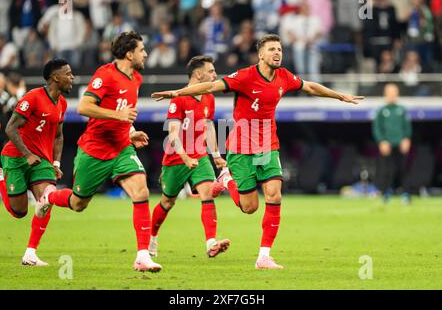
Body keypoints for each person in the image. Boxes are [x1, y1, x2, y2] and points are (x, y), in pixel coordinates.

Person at [152, 34, 363, 269]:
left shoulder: (284, 76)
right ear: (261, 54)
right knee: (249, 208)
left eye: (280, 49)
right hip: (241, 148)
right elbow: (212, 85)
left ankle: (264, 256)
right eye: (272, 49)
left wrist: (339, 96)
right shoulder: (245, 76)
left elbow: (310, 87)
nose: (277, 53)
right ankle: (227, 178)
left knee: (274, 195)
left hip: (267, 145)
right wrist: (178, 93)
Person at [36, 31, 162, 273]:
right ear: (129, 53)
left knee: (141, 191)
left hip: (122, 148)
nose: (145, 53)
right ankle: (49, 197)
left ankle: (143, 256)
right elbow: (84, 106)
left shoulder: (136, 79)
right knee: (78, 203)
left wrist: (131, 131)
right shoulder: (105, 75)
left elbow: (126, 114)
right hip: (94, 149)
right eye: (142, 49)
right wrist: (118, 116)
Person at [0, 59, 73, 266]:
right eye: (68, 74)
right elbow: (10, 127)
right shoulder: (33, 97)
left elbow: (59, 136)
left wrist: (56, 163)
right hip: (16, 157)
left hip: (41, 161)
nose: (72, 77)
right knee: (19, 212)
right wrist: (27, 154)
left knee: (46, 200)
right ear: (55, 77)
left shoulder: (62, 103)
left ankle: (30, 254)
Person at [149, 55, 230, 259]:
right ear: (198, 74)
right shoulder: (179, 99)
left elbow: (208, 126)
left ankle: (211, 243)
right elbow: (173, 134)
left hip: (200, 155)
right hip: (176, 158)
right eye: (211, 71)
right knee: (168, 202)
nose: (215, 74)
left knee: (207, 193)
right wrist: (185, 157)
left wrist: (216, 155)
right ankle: (151, 237)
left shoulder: (209, 98)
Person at [372, 83, 412, 204]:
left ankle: (405, 194)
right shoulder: (381, 111)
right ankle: (385, 194)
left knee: (403, 170)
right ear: (385, 94)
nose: (392, 95)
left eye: (394, 93)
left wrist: (406, 138)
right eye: (389, 93)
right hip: (387, 145)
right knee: (386, 171)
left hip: (400, 145)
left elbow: (407, 127)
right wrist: (382, 141)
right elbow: (377, 128)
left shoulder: (401, 110)